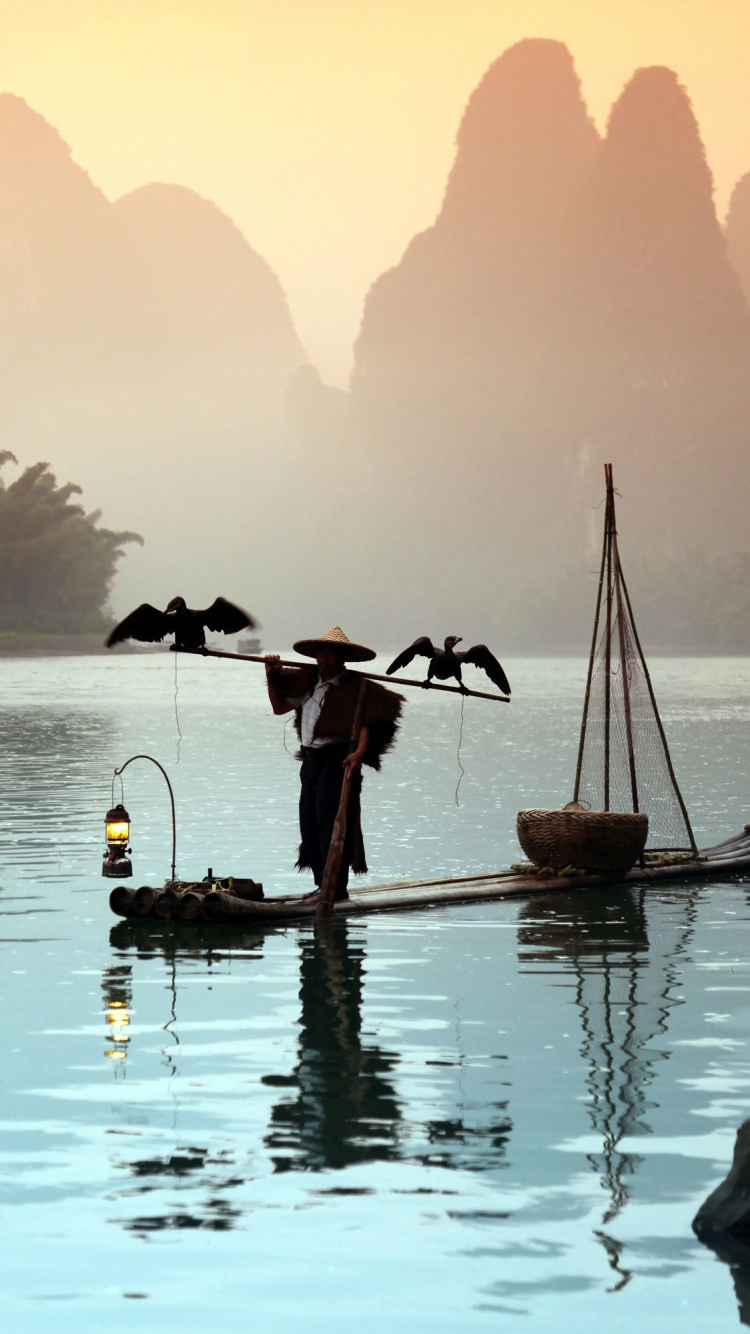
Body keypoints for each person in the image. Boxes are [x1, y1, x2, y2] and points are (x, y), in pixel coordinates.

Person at [265, 626, 404, 902]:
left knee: (330, 825)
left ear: (342, 658)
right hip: (311, 762)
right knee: (309, 824)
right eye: (320, 654)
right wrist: (271, 675)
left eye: (329, 655)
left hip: (337, 761)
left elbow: (367, 721)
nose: (323, 660)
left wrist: (359, 753)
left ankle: (335, 889)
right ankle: (322, 884)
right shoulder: (309, 683)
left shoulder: (354, 687)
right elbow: (279, 708)